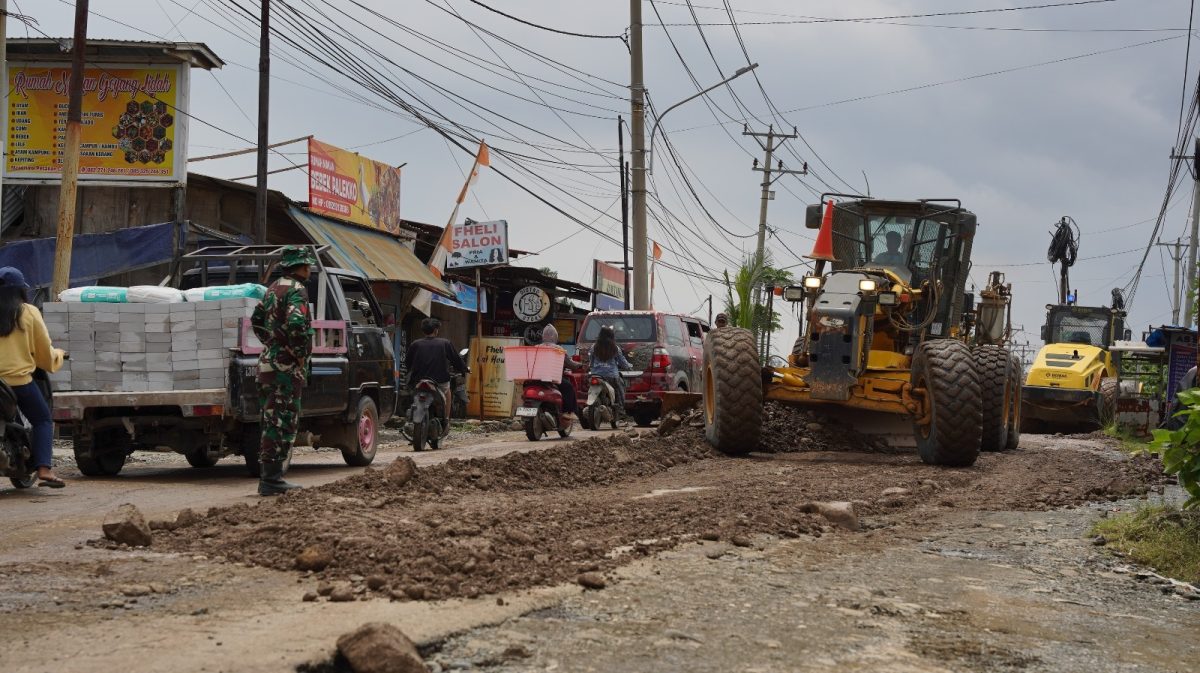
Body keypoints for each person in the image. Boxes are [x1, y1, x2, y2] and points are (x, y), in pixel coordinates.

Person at [251, 246, 315, 496]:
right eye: (307, 265)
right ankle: (271, 480)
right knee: (283, 422)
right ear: (299, 267)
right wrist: (298, 354)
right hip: (284, 368)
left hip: (267, 363)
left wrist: (272, 343)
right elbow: (298, 323)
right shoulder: (297, 290)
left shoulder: (273, 288)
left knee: (271, 421)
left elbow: (257, 320)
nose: (309, 269)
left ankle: (270, 477)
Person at [0, 268, 66, 488]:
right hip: (18, 382)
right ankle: (44, 469)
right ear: (20, 290)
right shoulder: (27, 312)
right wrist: (58, 355)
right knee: (43, 420)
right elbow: (43, 354)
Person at [405, 317, 468, 423]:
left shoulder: (415, 344)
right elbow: (456, 359)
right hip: (439, 382)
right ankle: (446, 419)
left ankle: (412, 415)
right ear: (435, 330)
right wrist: (464, 369)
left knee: (413, 394)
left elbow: (408, 362)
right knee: (448, 392)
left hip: (419, 381)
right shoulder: (445, 343)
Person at [539, 323, 580, 423]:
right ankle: (568, 411)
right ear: (555, 337)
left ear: (543, 336)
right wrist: (579, 365)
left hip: (537, 377)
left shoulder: (537, 347)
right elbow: (570, 364)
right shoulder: (559, 349)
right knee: (569, 387)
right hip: (553, 378)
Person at [589, 325, 632, 414]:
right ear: (612, 336)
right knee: (619, 390)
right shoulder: (615, 348)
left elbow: (591, 362)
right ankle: (620, 408)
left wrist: (591, 368)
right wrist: (629, 366)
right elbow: (623, 362)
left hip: (596, 375)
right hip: (611, 376)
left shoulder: (594, 347)